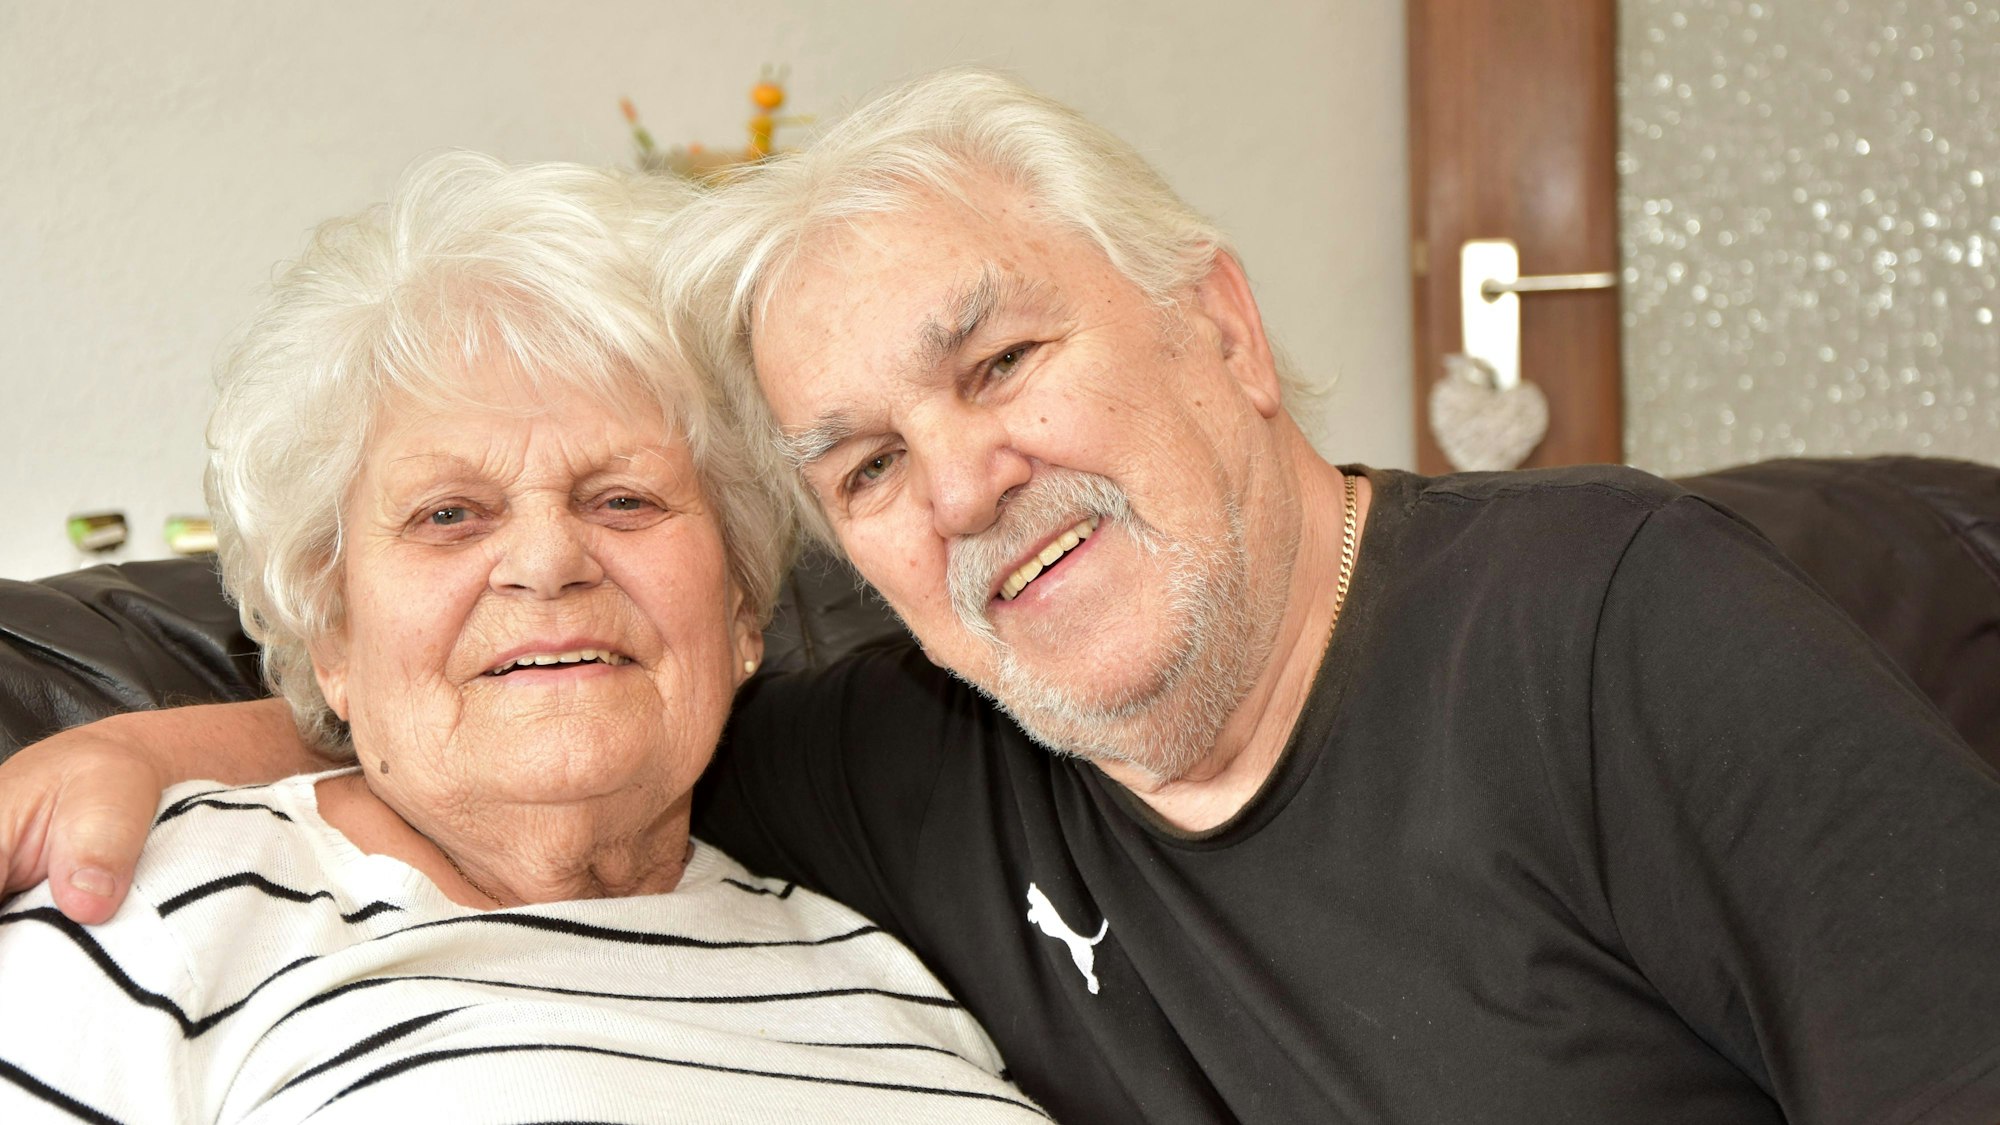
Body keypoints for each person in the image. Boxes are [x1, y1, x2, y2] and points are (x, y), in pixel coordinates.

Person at [6, 71, 2000, 1122]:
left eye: (1000, 365)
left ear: (1215, 322)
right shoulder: (913, 768)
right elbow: (543, 717)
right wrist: (158, 738)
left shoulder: (1627, 632)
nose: (959, 484)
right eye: (863, 462)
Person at [0, 153, 1043, 1124]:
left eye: (625, 499)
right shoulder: (149, 912)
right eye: (449, 514)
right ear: (332, 635)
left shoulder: (884, 969)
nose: (547, 562)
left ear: (739, 614)